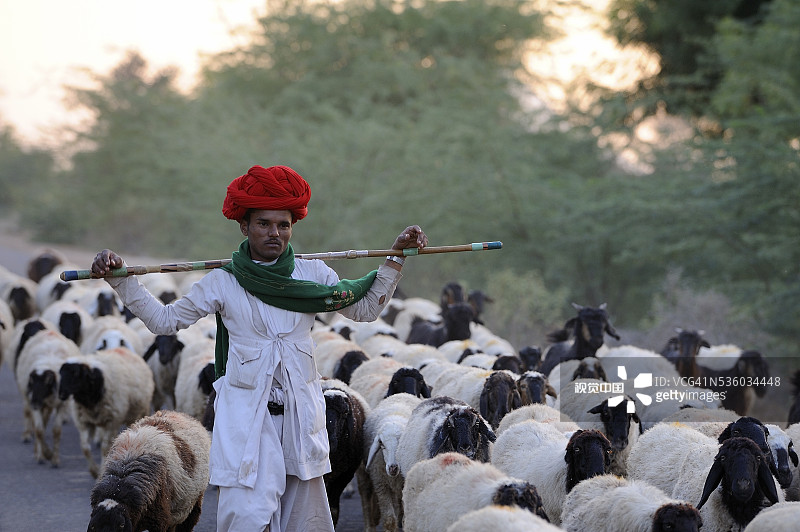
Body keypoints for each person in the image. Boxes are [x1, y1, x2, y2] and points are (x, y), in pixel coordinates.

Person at [91, 164, 428, 532]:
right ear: (245, 227)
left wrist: (397, 257)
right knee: (247, 520)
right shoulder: (223, 282)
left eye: (283, 225)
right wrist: (121, 279)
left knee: (306, 523)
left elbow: (365, 309)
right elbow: (164, 321)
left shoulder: (313, 275)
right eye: (264, 224)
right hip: (247, 420)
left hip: (301, 417)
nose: (275, 233)